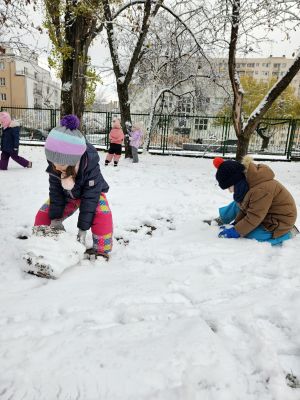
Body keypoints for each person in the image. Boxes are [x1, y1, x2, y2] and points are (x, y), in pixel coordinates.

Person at [34, 114, 113, 259]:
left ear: (73, 160)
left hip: (91, 195)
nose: (56, 167)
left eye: (61, 164)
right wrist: (55, 219)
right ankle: (43, 241)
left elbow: (90, 199)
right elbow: (56, 193)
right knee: (43, 214)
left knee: (102, 214)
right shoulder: (56, 165)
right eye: (52, 162)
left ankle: (102, 249)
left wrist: (83, 229)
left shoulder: (90, 166)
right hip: (68, 196)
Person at [212, 156, 297, 245]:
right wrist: (237, 223)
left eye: (229, 187)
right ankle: (222, 219)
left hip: (278, 221)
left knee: (249, 234)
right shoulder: (247, 184)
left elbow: (254, 216)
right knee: (237, 203)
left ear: (237, 181)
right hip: (263, 214)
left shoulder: (261, 190)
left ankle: (288, 234)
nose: (230, 191)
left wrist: (236, 230)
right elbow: (245, 207)